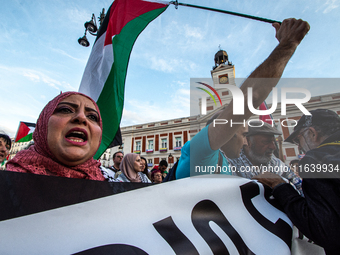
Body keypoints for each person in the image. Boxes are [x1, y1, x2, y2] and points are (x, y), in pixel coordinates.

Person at [176, 18, 310, 179]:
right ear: (225, 133)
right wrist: (288, 44)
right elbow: (251, 95)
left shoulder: (230, 162)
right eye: (243, 135)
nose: (246, 142)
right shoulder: (200, 153)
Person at [254, 109, 340, 254]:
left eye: (297, 139)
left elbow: (325, 231)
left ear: (312, 133)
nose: (298, 147)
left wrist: (280, 186)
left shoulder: (316, 159)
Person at [6, 92, 105, 181]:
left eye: (92, 117)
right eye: (66, 110)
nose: (81, 117)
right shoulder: (7, 183)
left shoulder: (113, 187)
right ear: (42, 123)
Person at [228, 121, 302, 193]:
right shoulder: (230, 164)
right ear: (247, 141)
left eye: (274, 142)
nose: (273, 147)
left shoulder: (277, 164)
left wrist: (281, 184)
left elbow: (300, 188)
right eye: (266, 142)